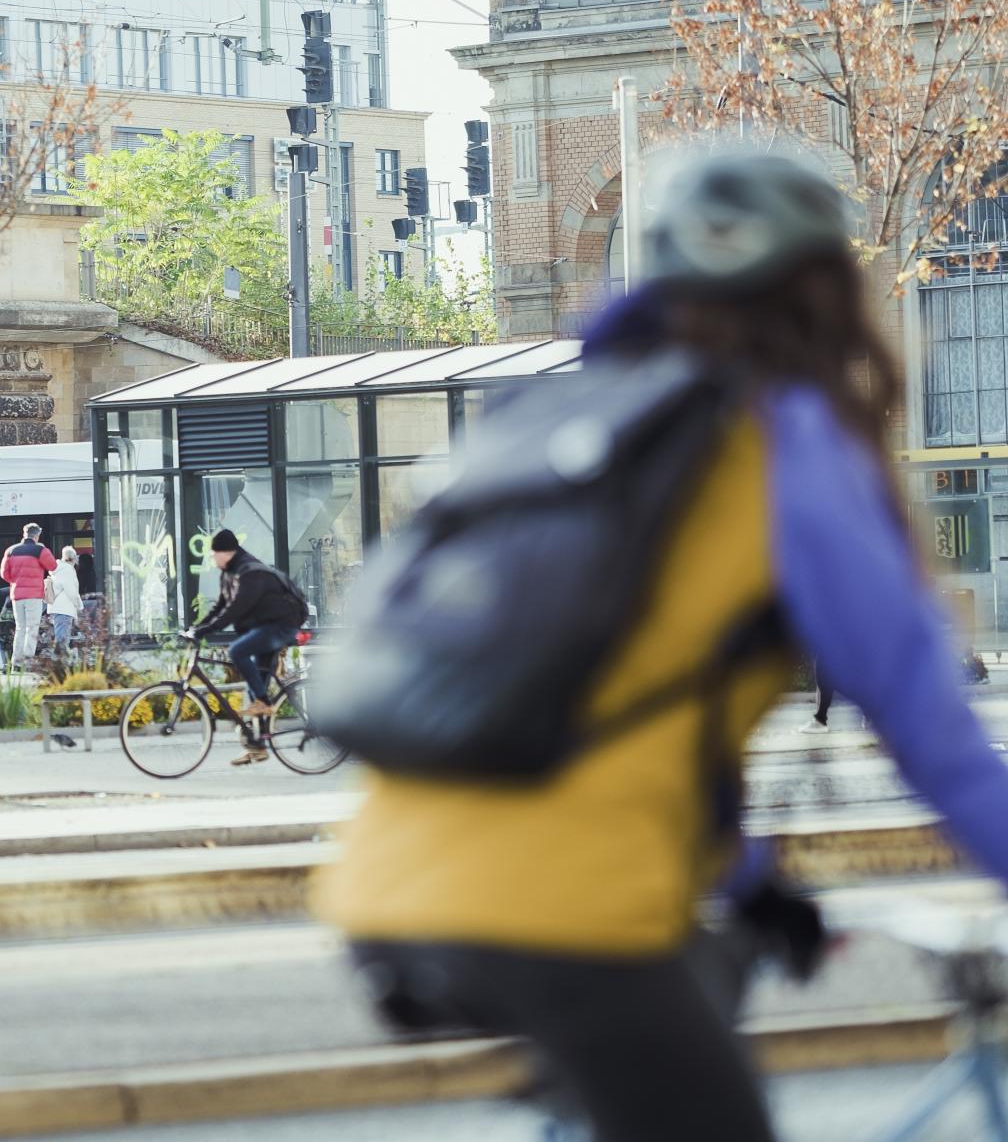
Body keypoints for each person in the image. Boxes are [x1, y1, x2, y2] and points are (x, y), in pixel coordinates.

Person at [315, 148, 1008, 1142]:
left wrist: (744, 880)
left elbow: (612, 705)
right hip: (563, 906)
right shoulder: (786, 446)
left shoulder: (578, 423)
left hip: (388, 878)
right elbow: (932, 736)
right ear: (829, 295)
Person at [183, 529, 307, 766]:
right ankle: (257, 747)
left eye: (213, 554)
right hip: (264, 627)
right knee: (253, 686)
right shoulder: (229, 574)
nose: (212, 559)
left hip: (280, 626)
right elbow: (220, 606)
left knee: (237, 651)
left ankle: (264, 700)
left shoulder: (250, 573)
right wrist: (196, 628)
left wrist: (207, 631)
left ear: (225, 553)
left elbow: (236, 610)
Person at [0, 523, 57, 666]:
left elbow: (4, 574)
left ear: (24, 534)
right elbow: (53, 566)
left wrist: (16, 582)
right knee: (32, 628)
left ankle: (16, 663)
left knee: (20, 628)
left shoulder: (11, 550)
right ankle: (27, 662)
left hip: (17, 596)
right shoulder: (40, 550)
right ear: (37, 535)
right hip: (34, 596)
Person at [46, 545, 83, 651]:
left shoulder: (58, 569)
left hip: (58, 608)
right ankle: (59, 663)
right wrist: (80, 606)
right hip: (64, 609)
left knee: (61, 638)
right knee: (62, 640)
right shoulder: (67, 570)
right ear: (74, 559)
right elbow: (72, 592)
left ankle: (60, 661)